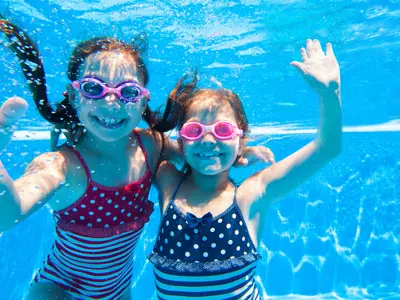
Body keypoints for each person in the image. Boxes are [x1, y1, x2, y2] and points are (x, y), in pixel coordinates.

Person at [0, 18, 274, 299]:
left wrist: (237, 154)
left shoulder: (150, 146)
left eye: (128, 92)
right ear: (73, 95)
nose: (111, 102)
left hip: (118, 291)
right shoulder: (61, 165)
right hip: (59, 289)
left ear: (143, 101)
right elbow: (9, 214)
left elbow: (197, 156)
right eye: (94, 88)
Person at [148, 39, 342, 299]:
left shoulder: (253, 193)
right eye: (195, 130)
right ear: (181, 140)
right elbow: (143, 141)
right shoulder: (168, 181)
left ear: (241, 139)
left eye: (223, 130)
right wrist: (235, 154)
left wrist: (330, 94)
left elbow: (327, 148)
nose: (207, 140)